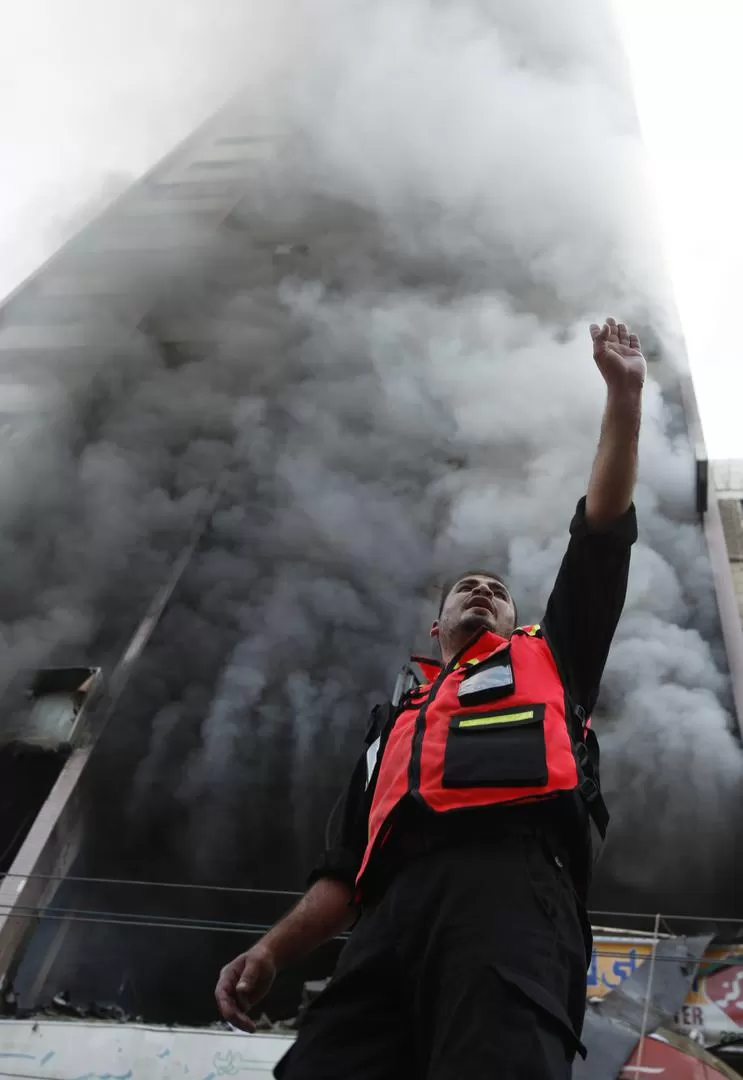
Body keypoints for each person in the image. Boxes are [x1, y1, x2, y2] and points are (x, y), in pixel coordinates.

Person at [216, 318, 646, 1079]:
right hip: (388, 917)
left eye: (497, 591)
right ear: (435, 623)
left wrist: (623, 395)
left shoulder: (552, 657)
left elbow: (603, 531)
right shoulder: (390, 732)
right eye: (464, 589)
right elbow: (341, 874)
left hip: (510, 892)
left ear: (516, 621)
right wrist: (272, 948)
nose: (481, 592)